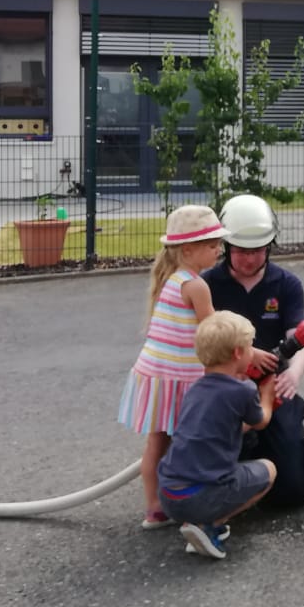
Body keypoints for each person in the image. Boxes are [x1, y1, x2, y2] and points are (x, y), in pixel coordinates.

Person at [116, 205, 226, 529]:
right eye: (212, 245)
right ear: (188, 250)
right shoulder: (196, 285)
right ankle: (192, 504)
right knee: (188, 444)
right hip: (179, 379)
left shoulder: (171, 279)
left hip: (155, 375)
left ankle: (155, 508)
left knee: (157, 443)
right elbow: (213, 331)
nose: (218, 250)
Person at [205, 193, 304, 508]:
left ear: (270, 246)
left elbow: (300, 338)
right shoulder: (207, 285)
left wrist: (293, 373)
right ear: (226, 246)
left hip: (273, 388)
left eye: (257, 251)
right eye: (240, 251)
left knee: (293, 492)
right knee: (210, 471)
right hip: (222, 389)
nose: (249, 259)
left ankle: (272, 455)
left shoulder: (287, 285)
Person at [156, 310, 277, 560]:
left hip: (168, 494)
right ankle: (207, 525)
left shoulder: (195, 389)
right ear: (237, 353)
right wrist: (267, 393)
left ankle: (200, 523)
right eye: (250, 346)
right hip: (200, 498)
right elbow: (261, 421)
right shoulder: (242, 391)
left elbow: (224, 426)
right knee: (270, 470)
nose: (253, 351)